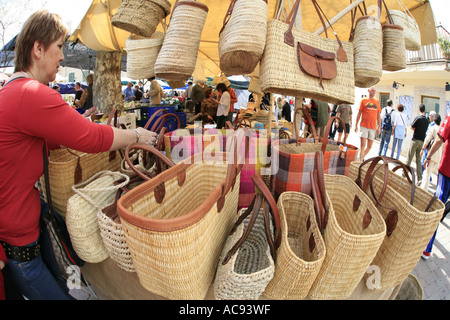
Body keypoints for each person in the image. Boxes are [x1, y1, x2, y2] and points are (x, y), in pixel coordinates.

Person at [0, 10, 158, 300]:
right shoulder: (31, 93)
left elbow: (60, 136)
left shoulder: (13, 90)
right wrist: (137, 136)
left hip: (22, 226)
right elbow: (89, 139)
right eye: (59, 47)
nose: (62, 57)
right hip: (19, 242)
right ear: (38, 49)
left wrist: (80, 121)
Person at [422, 112, 450, 260]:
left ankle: (426, 248)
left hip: (447, 171)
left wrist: (428, 156)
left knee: (437, 207)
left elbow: (440, 139)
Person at [354, 86, 381, 161]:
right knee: (363, 145)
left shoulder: (377, 101)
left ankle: (360, 158)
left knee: (369, 146)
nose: (373, 92)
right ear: (368, 91)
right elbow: (359, 113)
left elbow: (378, 114)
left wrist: (379, 126)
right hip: (364, 126)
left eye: (374, 91)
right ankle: (360, 161)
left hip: (373, 127)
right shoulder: (364, 100)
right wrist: (356, 124)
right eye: (372, 91)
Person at [406, 104, 429, 185]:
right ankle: (419, 178)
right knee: (418, 160)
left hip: (415, 140)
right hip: (422, 142)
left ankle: (404, 174)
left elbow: (412, 127)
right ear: (424, 110)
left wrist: (416, 130)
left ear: (419, 109)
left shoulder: (417, 118)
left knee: (409, 157)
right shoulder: (427, 120)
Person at [420, 114, 442, 191]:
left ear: (434, 120)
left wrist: (422, 149)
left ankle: (423, 190)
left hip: (431, 154)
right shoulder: (441, 129)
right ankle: (438, 191)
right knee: (439, 176)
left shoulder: (433, 128)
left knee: (427, 173)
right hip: (439, 155)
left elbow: (427, 139)